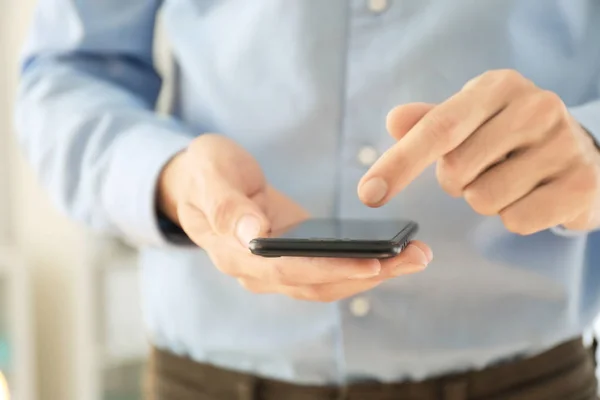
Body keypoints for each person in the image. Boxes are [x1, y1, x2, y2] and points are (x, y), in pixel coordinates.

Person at [15, 1, 600, 399]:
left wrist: (591, 151)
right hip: (210, 379)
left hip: (530, 380)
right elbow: (68, 75)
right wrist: (171, 178)